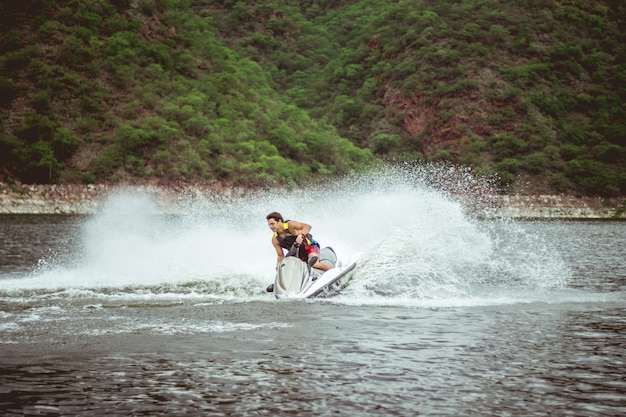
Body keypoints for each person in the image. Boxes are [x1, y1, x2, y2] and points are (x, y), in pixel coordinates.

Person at [266, 212, 332, 271]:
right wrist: (278, 266)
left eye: (272, 224)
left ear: (279, 221)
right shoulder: (275, 239)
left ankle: (336, 272)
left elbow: (308, 227)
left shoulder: (290, 225)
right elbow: (280, 256)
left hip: (310, 246)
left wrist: (301, 235)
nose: (270, 226)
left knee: (315, 264)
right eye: (269, 225)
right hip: (298, 253)